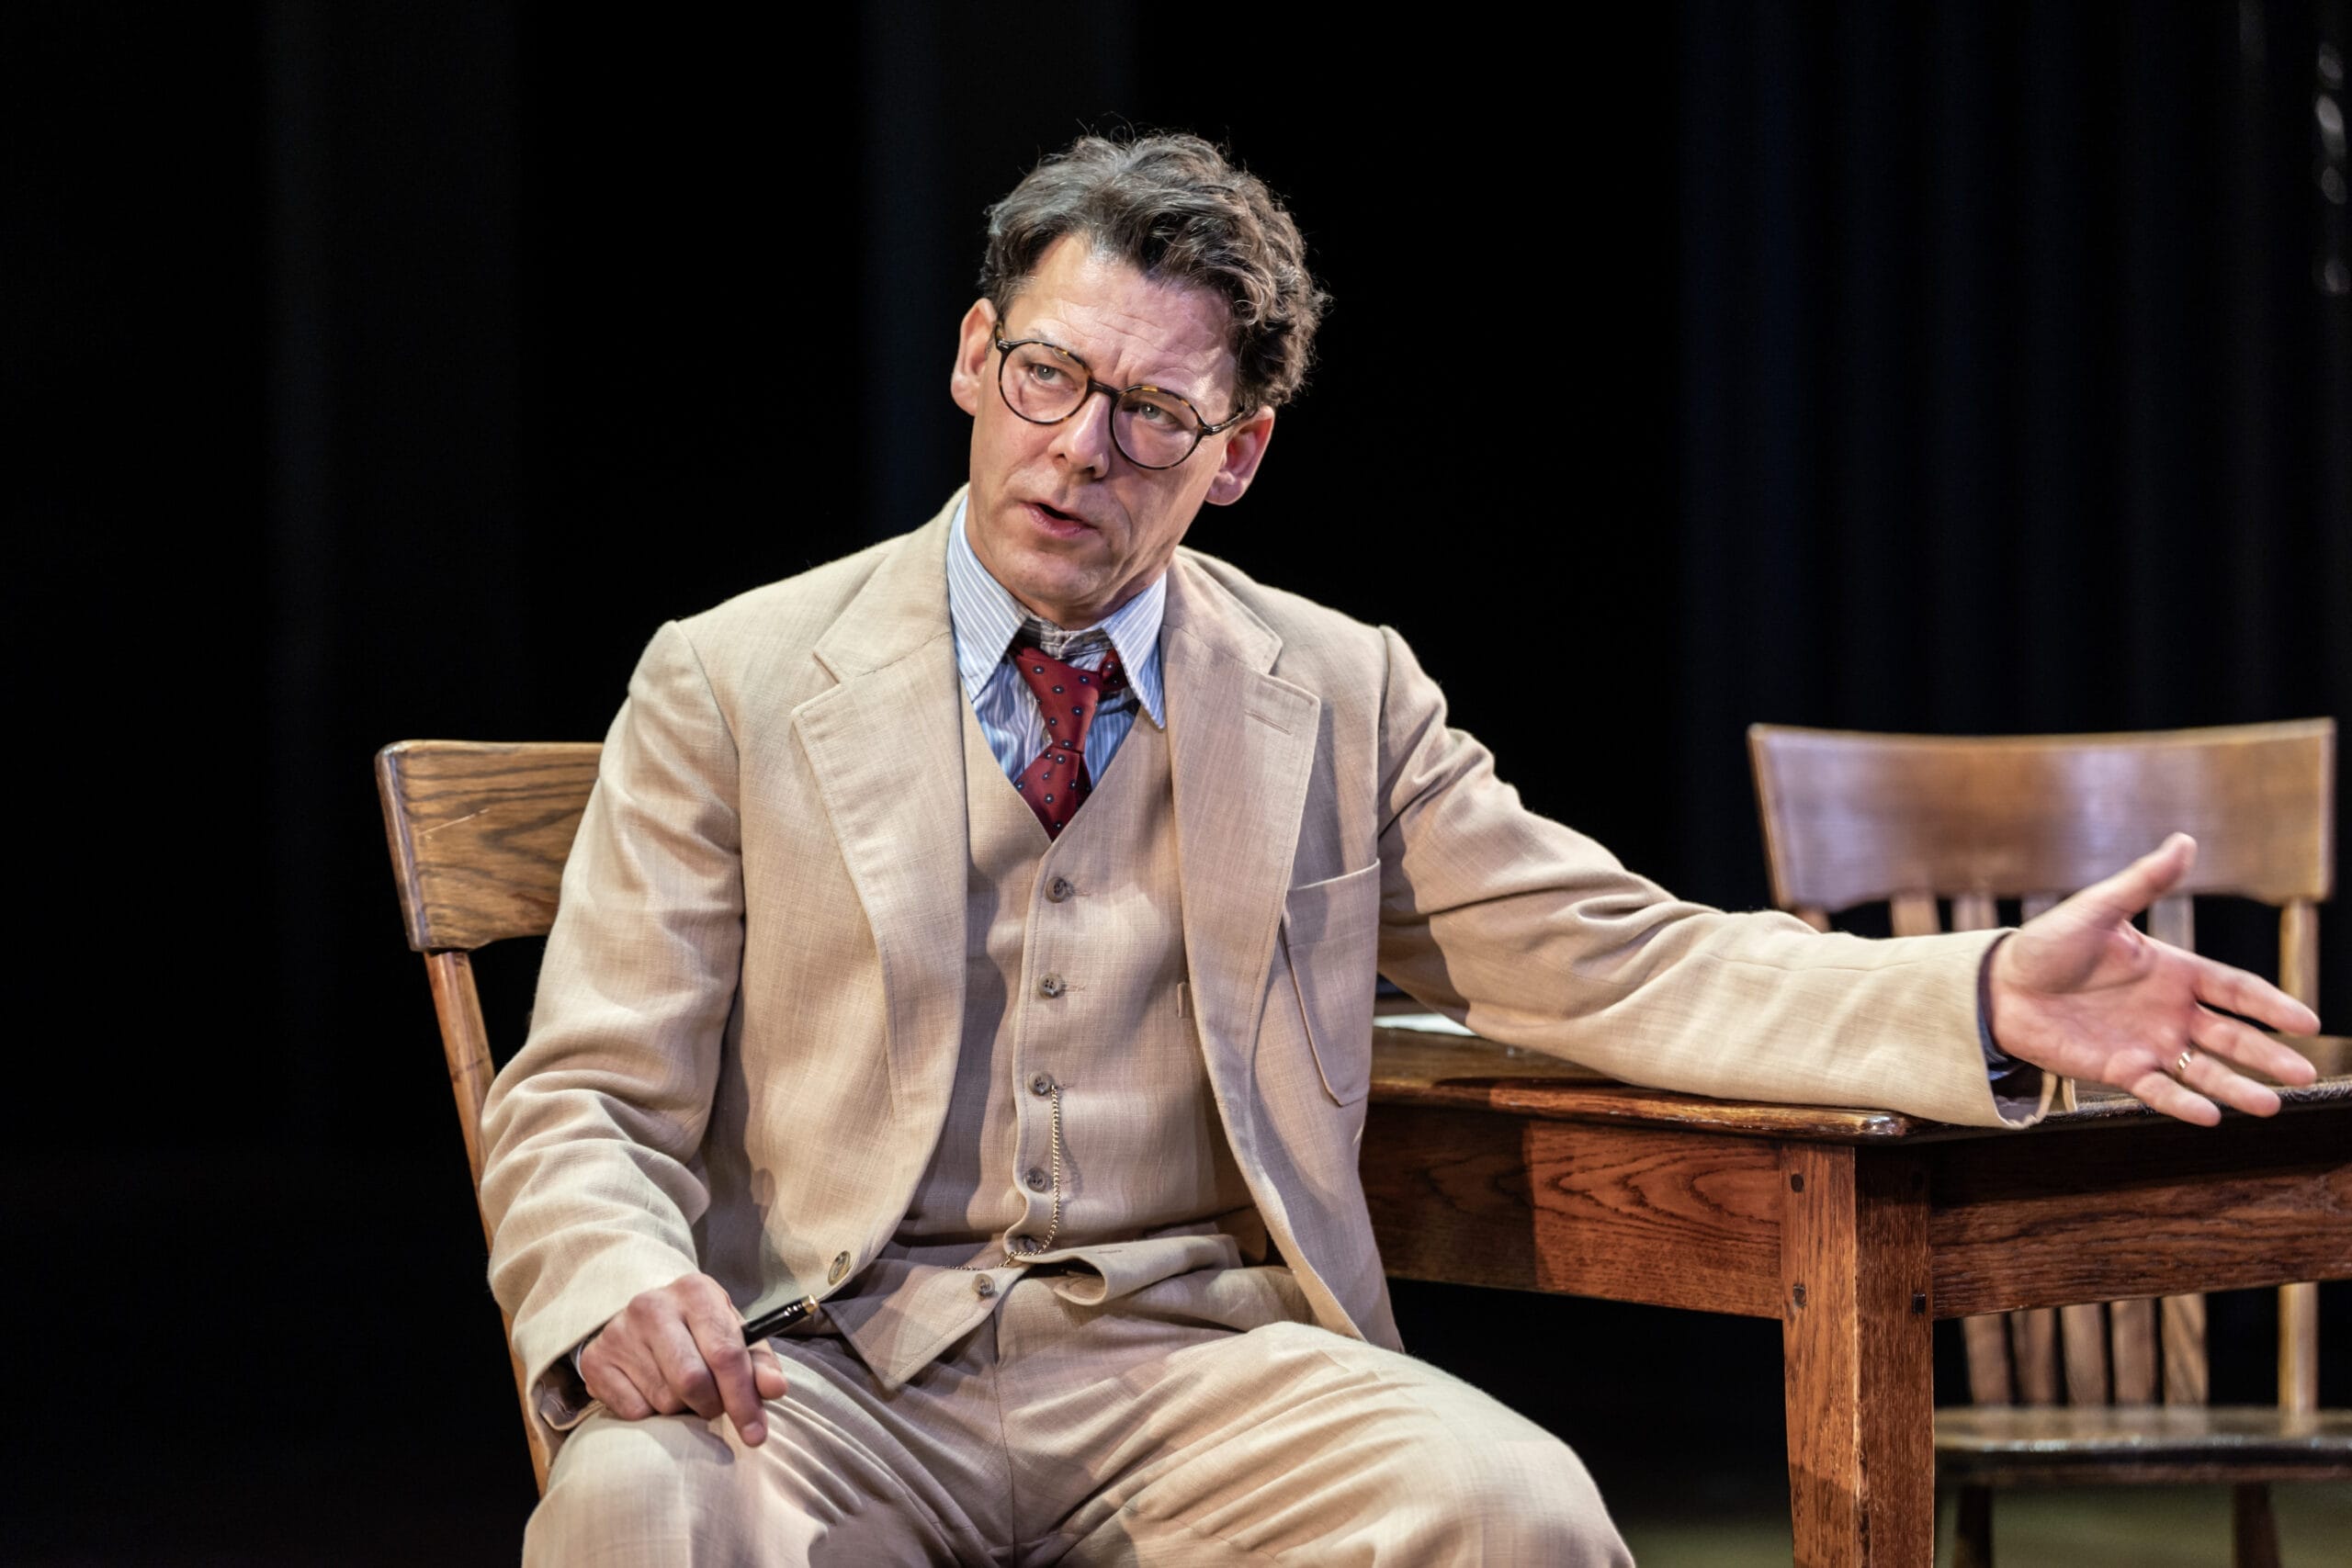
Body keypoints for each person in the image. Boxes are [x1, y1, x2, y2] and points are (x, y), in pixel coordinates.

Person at [478, 133, 2320, 1565]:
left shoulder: (1335, 694)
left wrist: (1977, 986)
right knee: (641, 1509)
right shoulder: (730, 678)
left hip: (1196, 1369)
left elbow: (1625, 958)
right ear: (972, 357)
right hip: (825, 1367)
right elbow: (584, 1098)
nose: (1079, 449)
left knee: (1505, 1507)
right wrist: (612, 1278)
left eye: (1152, 415)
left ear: (1238, 451)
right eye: (1045, 377)